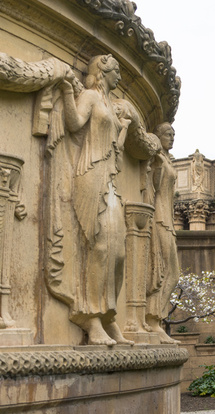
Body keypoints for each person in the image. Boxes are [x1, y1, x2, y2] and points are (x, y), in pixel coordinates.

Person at [59, 54, 132, 345]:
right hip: (89, 171)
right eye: (116, 72)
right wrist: (66, 91)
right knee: (99, 246)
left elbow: (117, 148)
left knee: (118, 251)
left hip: (110, 174)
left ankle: (109, 315)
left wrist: (124, 127)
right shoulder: (89, 96)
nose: (120, 78)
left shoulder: (111, 107)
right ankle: (91, 318)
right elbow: (74, 123)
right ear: (103, 71)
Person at [146, 122, 180, 343]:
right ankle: (152, 320)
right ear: (158, 136)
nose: (172, 137)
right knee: (161, 269)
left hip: (168, 217)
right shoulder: (157, 158)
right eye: (168, 134)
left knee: (173, 273)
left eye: (174, 134)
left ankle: (156, 319)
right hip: (159, 216)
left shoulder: (166, 159)